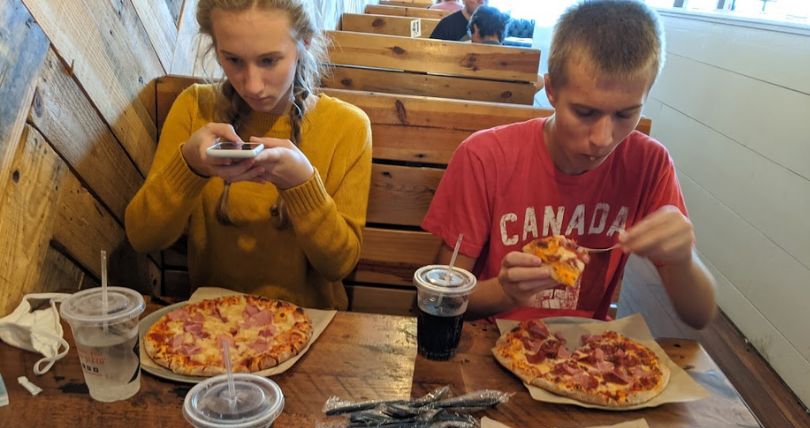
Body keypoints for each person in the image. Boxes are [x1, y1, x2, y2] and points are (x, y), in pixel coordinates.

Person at [422, 0, 717, 328]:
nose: (603, 139)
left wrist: (682, 260)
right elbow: (439, 299)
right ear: (550, 91)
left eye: (625, 114)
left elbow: (698, 316)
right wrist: (505, 292)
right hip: (488, 344)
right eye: (585, 113)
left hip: (588, 359)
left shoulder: (649, 164)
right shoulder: (485, 157)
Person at [125, 0, 372, 310]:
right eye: (233, 60)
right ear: (215, 48)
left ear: (304, 44)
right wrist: (190, 166)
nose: (253, 86)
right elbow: (143, 238)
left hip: (309, 327)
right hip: (210, 326)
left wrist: (303, 185)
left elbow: (339, 265)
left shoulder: (347, 127)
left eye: (269, 61)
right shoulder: (194, 108)